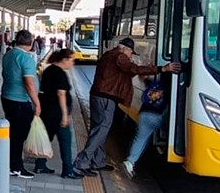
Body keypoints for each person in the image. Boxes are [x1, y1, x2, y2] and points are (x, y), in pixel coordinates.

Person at [77, 37, 180, 173]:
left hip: (99, 95)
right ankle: (82, 162)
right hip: (106, 98)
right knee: (100, 130)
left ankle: (98, 161)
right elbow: (133, 68)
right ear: (125, 49)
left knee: (100, 130)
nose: (131, 55)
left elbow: (123, 73)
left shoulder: (109, 55)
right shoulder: (119, 56)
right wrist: (162, 68)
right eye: (131, 52)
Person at [36, 50, 86, 178]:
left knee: (46, 138)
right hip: (57, 112)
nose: (73, 63)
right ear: (64, 60)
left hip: (47, 110)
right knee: (65, 140)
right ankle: (68, 169)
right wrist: (64, 115)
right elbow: (61, 94)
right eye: (71, 60)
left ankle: (40, 165)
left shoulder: (49, 69)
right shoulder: (60, 74)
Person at [0, 30, 40, 179]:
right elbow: (29, 83)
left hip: (7, 97)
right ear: (30, 42)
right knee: (19, 135)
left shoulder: (8, 55)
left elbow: (4, 74)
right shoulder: (26, 58)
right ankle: (16, 167)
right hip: (20, 101)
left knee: (12, 133)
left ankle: (12, 162)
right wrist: (37, 103)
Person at [123, 77, 168, 178]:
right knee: (171, 129)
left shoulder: (155, 83)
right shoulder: (169, 87)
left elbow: (146, 80)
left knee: (140, 139)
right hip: (158, 117)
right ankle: (164, 144)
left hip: (144, 114)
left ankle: (130, 162)